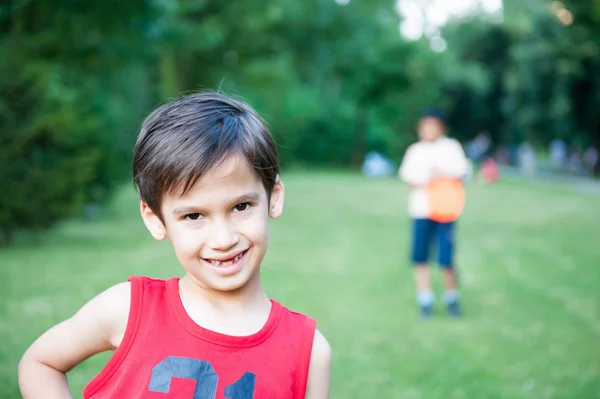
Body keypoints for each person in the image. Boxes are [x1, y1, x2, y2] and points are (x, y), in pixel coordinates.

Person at [18, 92, 332, 399]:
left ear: (273, 197)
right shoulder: (127, 310)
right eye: (194, 215)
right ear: (155, 219)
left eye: (241, 207)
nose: (223, 239)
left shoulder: (309, 352)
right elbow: (40, 364)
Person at [398, 109, 469, 318]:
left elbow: (461, 172)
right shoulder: (415, 151)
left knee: (446, 259)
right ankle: (425, 301)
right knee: (421, 258)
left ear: (441, 127)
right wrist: (429, 177)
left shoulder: (451, 148)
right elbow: (409, 180)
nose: (427, 129)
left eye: (432, 125)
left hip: (445, 212)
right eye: (424, 125)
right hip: (421, 211)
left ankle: (452, 298)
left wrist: (439, 174)